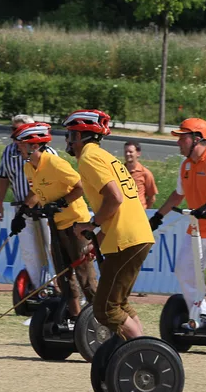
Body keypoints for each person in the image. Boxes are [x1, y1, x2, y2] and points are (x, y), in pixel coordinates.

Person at [65, 109, 154, 340]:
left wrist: (91, 224)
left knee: (105, 308)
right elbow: (119, 208)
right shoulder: (105, 157)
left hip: (127, 239)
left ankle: (141, 351)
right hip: (135, 236)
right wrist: (99, 239)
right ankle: (139, 348)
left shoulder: (88, 158)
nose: (67, 140)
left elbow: (115, 198)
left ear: (79, 136)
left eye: (70, 135)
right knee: (118, 303)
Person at [149, 118, 206, 331]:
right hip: (197, 228)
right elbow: (178, 194)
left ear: (196, 139)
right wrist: (158, 216)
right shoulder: (186, 165)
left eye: (183, 138)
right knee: (183, 269)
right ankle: (202, 314)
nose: (178, 142)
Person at [12, 122, 97, 321]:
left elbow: (81, 186)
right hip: (56, 225)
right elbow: (36, 191)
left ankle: (100, 320)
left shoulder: (55, 164)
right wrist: (22, 212)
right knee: (63, 277)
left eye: (21, 144)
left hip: (76, 224)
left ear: (34, 146)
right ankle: (76, 319)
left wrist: (61, 202)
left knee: (84, 276)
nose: (18, 148)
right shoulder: (29, 167)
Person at [0, 114, 57, 290]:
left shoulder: (48, 153)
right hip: (22, 208)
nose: (14, 134)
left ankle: (62, 287)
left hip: (46, 209)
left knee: (53, 250)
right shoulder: (9, 152)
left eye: (18, 130)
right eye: (12, 129)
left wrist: (27, 206)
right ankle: (40, 289)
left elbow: (43, 185)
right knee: (30, 252)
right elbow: (3, 177)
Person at [123, 141, 158, 209]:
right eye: (125, 151)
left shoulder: (145, 173)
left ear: (138, 154)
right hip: (123, 210)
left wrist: (144, 211)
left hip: (138, 211)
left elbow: (151, 198)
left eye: (130, 152)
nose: (127, 154)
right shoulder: (119, 170)